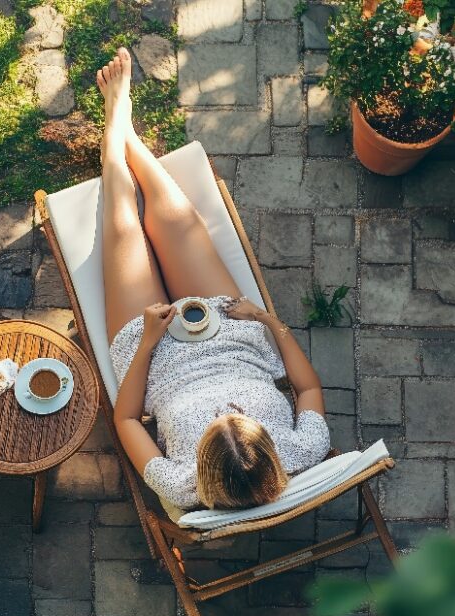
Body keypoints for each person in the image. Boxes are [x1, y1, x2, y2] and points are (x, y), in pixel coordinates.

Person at [99, 48, 331, 511]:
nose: (228, 412)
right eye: (244, 417)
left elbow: (126, 419)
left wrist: (147, 341)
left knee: (125, 227)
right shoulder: (303, 449)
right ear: (268, 451)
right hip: (229, 328)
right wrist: (265, 319)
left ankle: (113, 132)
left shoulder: (178, 482)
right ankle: (128, 134)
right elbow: (308, 389)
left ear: (201, 464)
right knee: (178, 223)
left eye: (214, 424)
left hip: (154, 356)